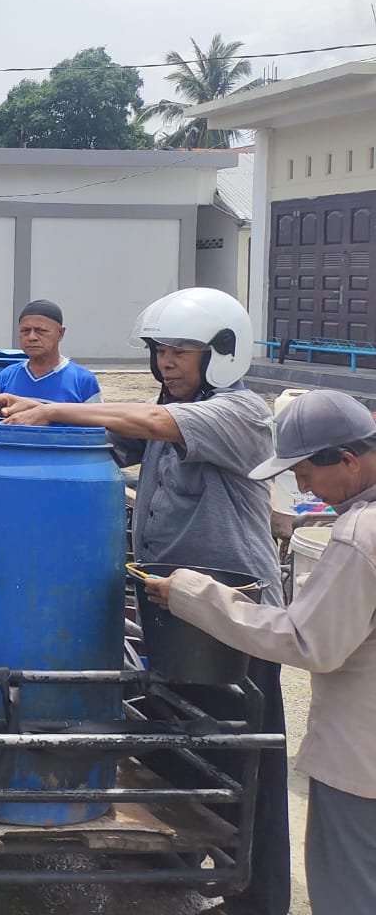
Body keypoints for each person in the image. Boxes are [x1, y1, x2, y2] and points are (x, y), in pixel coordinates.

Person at [0, 287, 290, 915]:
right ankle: (170, 865)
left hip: (234, 604)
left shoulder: (240, 413)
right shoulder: (169, 404)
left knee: (243, 745)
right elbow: (121, 439)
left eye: (181, 352)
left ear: (222, 355)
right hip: (173, 600)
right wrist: (16, 415)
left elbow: (152, 426)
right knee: (174, 729)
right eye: (160, 352)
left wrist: (53, 409)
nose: (167, 363)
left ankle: (259, 896)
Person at [143, 388, 376, 915]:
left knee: (350, 891)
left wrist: (196, 595)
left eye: (305, 472)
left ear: (347, 459)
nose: (301, 485)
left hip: (361, 763)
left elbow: (307, 640)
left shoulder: (360, 535)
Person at [0, 299, 102, 403]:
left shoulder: (82, 380)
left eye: (41, 331)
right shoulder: (6, 377)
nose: (31, 337)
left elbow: (97, 421)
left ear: (61, 333)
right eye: (25, 330)